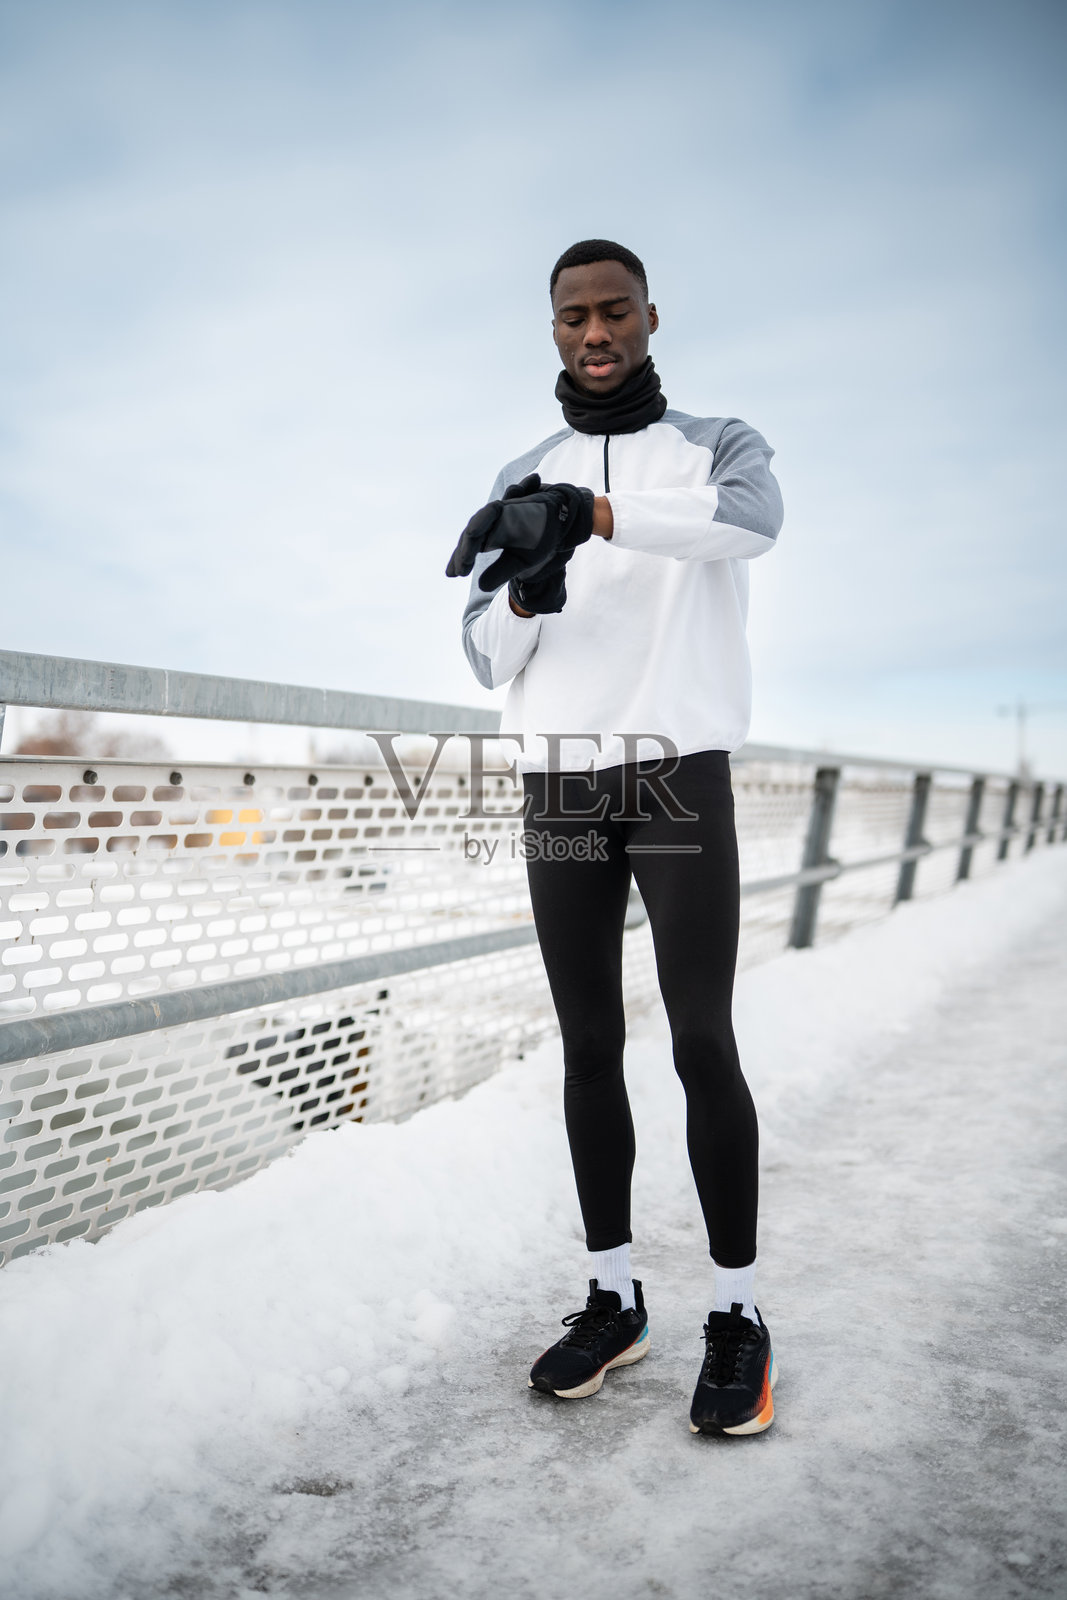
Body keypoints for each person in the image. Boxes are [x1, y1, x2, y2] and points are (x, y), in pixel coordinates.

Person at [446, 239, 784, 1436]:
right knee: (588, 1047)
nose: (593, 333)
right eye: (571, 317)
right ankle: (613, 1296)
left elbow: (749, 526)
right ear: (551, 328)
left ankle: (737, 1313)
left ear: (648, 317)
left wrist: (595, 515)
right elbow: (483, 655)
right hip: (560, 786)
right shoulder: (520, 472)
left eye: (613, 311)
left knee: (699, 1041)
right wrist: (527, 587)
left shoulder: (716, 445)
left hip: (675, 774)